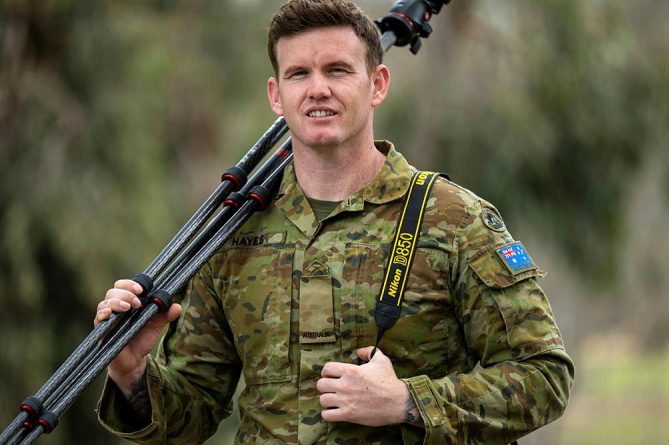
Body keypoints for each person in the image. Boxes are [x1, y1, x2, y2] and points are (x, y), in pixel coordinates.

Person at [94, 0, 574, 443]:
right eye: (298, 73)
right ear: (276, 95)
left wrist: (408, 403)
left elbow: (544, 376)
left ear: (378, 85)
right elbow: (191, 415)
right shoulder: (234, 231)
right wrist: (133, 374)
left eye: (338, 70)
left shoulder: (452, 219)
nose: (317, 88)